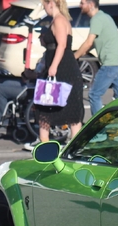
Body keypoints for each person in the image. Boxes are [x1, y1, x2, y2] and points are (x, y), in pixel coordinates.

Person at [27, 0, 84, 151]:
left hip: (63, 69)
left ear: (51, 3)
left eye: (44, 4)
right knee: (70, 111)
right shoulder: (61, 20)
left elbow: (62, 44)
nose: (43, 8)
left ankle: (45, 147)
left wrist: (53, 66)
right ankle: (72, 148)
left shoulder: (58, 20)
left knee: (46, 109)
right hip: (64, 68)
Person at [74, 0, 118, 116]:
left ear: (91, 5)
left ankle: (98, 126)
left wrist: (74, 57)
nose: (80, 5)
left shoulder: (96, 19)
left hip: (110, 64)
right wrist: (82, 52)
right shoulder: (105, 16)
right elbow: (93, 43)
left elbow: (88, 42)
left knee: (94, 94)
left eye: (82, 3)